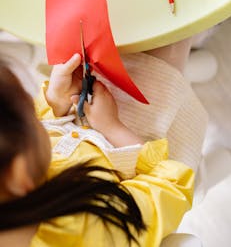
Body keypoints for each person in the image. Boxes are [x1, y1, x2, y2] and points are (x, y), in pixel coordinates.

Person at [0, 39, 207, 247]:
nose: (36, 113)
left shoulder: (12, 188)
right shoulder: (95, 228)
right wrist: (113, 128)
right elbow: (171, 185)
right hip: (144, 160)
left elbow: (28, 137)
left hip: (91, 117)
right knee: (161, 50)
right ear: (18, 172)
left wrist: (54, 102)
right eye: (31, 114)